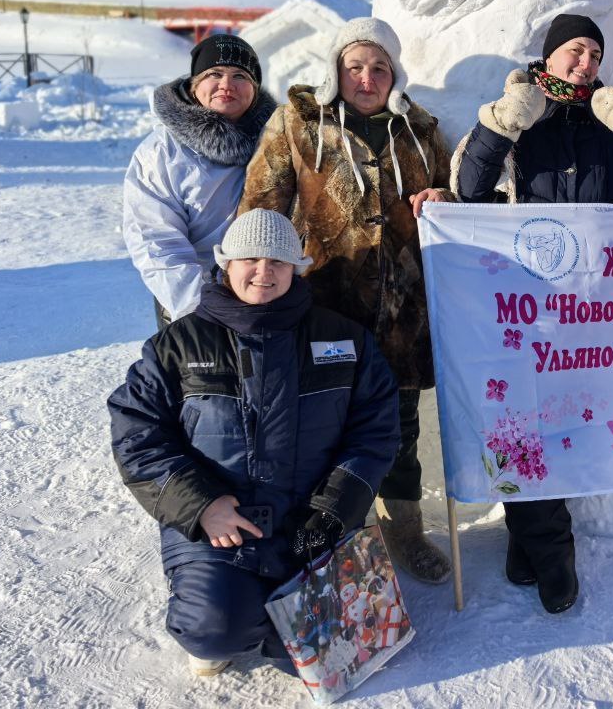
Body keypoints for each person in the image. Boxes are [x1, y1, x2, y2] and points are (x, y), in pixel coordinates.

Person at [107, 208, 400, 677]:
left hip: (312, 522)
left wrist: (334, 510)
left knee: (322, 650)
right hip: (225, 526)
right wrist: (200, 506)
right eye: (250, 259)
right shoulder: (180, 343)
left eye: (278, 262)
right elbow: (136, 431)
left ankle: (282, 624)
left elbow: (376, 429)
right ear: (226, 264)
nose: (263, 272)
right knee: (211, 629)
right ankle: (242, 616)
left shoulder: (344, 340)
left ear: (296, 268)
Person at [455, 13, 613, 612]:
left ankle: (527, 541)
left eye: (595, 54)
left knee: (568, 423)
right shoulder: (519, 108)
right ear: (549, 56)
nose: (585, 63)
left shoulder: (608, 116)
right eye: (575, 50)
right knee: (521, 423)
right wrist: (500, 126)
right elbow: (470, 190)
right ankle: (554, 553)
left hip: (593, 308)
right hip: (522, 300)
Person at [239, 16, 454, 584]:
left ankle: (404, 529)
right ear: (337, 69)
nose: (367, 77)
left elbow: (455, 196)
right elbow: (261, 206)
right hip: (326, 305)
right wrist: (251, 285)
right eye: (355, 66)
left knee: (401, 427)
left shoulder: (421, 128)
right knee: (326, 427)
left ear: (394, 73)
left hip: (406, 311)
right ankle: (336, 538)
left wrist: (444, 196)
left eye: (379, 67)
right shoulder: (299, 122)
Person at [123, 34, 277, 327]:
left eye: (240, 75)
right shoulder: (162, 152)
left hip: (270, 294)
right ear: (195, 87)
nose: (226, 85)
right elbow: (156, 241)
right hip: (194, 302)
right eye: (214, 74)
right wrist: (201, 310)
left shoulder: (280, 140)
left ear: (255, 89)